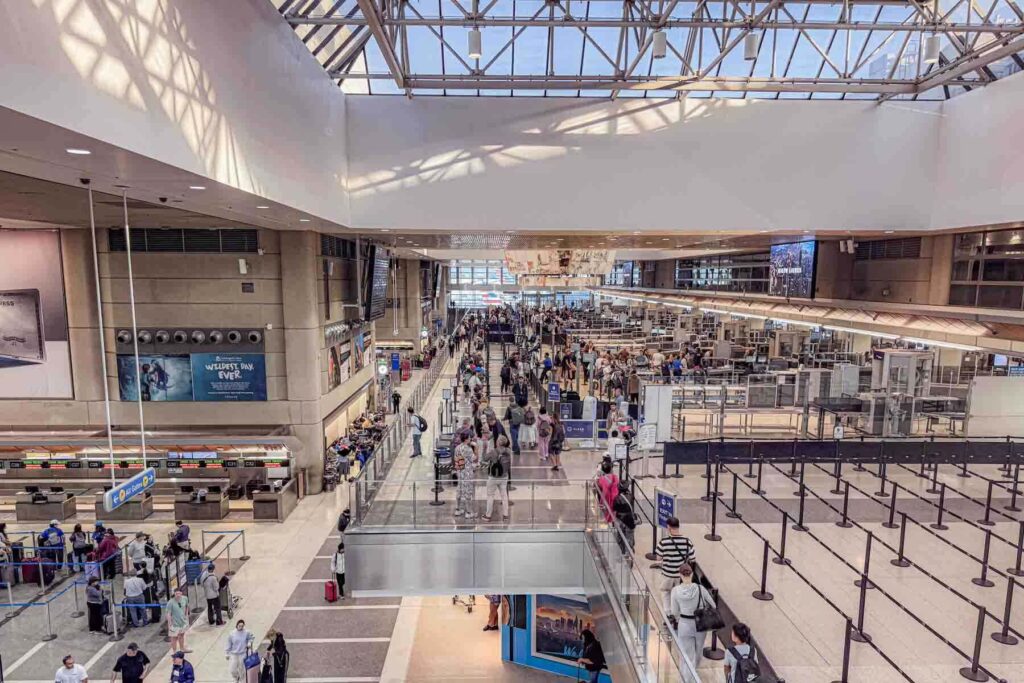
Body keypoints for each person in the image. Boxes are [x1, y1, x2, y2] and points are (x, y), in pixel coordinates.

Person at [670, 563, 716, 678]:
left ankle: (687, 678)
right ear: (692, 574)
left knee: (686, 655)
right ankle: (694, 673)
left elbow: (674, 612)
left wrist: (680, 617)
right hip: (700, 624)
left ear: (680, 575)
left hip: (684, 624)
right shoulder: (700, 589)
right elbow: (713, 605)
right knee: (698, 651)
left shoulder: (675, 591)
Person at [653, 516, 695, 613]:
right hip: (680, 575)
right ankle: (677, 613)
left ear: (668, 527)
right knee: (678, 594)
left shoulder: (663, 542)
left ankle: (668, 613)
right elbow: (693, 558)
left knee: (665, 592)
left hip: (667, 574)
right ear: (678, 526)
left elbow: (658, 558)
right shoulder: (687, 541)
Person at [482, 435, 511, 522]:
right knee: (504, 496)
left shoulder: (493, 452)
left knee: (490, 496)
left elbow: (484, 459)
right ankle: (505, 515)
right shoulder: (508, 451)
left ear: (498, 442)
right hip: (504, 476)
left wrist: (484, 449)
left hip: (493, 477)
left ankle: (488, 516)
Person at [453, 433, 478, 519]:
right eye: (469, 438)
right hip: (467, 473)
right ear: (466, 439)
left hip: (460, 471)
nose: (470, 439)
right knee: (468, 491)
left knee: (459, 489)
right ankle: (468, 512)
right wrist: (476, 447)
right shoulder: (468, 449)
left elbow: (456, 460)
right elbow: (474, 458)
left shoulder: (457, 448)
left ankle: (457, 509)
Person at [166, 588, 190, 655]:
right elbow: (168, 614)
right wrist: (169, 624)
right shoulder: (170, 602)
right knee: (174, 638)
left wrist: (186, 616)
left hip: (182, 622)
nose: (178, 595)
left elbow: (187, 607)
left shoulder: (185, 598)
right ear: (174, 594)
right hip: (174, 624)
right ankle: (175, 652)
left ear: (181, 593)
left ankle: (182, 649)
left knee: (181, 635)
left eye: (179, 593)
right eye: (176, 594)